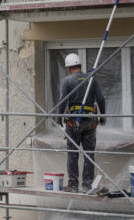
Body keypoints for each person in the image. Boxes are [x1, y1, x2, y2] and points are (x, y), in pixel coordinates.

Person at [55, 53, 106, 193]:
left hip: (73, 122)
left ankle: (72, 185)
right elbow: (101, 99)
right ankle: (87, 185)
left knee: (73, 153)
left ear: (69, 68)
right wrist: (103, 116)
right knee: (89, 153)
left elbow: (63, 100)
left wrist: (58, 117)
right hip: (90, 120)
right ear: (80, 66)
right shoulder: (91, 79)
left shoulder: (67, 81)